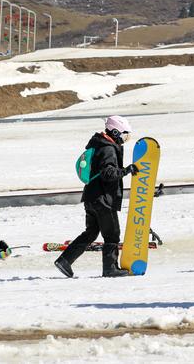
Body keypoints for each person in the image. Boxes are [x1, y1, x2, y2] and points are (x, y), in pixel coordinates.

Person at [55, 116, 138, 278]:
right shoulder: (108, 148)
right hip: (103, 199)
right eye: (124, 134)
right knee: (112, 234)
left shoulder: (99, 144)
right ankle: (110, 269)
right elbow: (108, 173)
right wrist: (126, 170)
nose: (125, 139)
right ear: (115, 132)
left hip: (91, 197)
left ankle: (65, 260)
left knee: (91, 232)